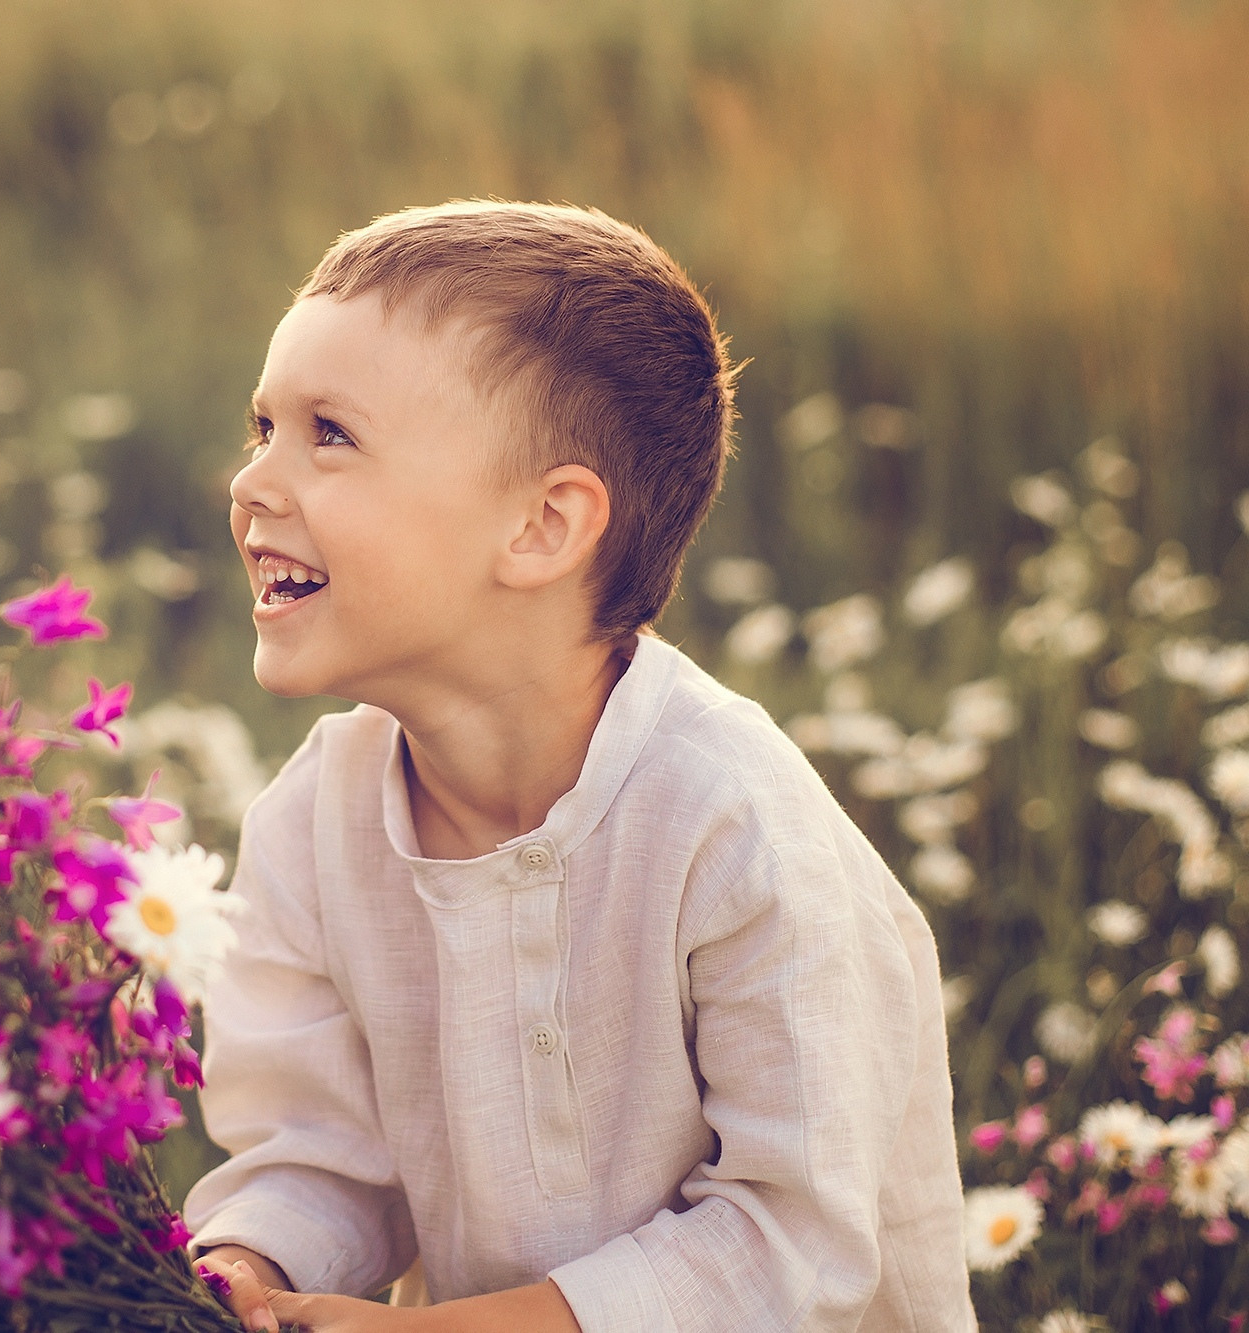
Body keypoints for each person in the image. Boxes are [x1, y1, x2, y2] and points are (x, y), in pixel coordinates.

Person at [183, 201, 975, 1331]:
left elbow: (790, 1245)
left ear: (542, 528)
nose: (252, 480)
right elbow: (319, 1153)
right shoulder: (312, 820)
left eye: (329, 434)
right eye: (262, 424)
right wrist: (245, 1261)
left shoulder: (731, 823)